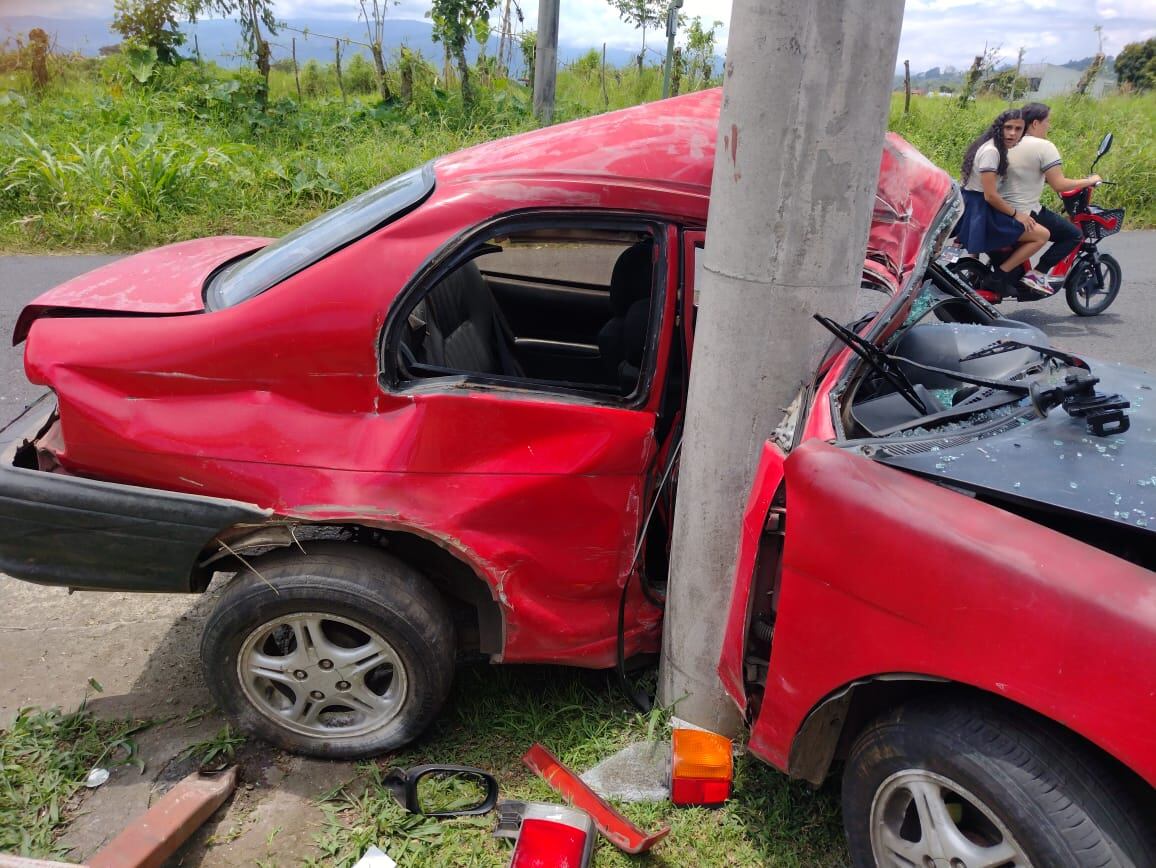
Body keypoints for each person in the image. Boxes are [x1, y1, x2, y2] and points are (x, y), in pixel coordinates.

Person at [1004, 102, 1101, 290]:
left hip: (999, 207)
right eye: (1047, 122)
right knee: (1073, 235)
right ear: (1035, 123)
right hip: (1023, 210)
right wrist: (1088, 181)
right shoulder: (1044, 146)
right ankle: (1038, 274)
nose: (1049, 126)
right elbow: (1059, 184)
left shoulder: (1009, 142)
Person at [956, 109, 1050, 296]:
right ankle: (999, 276)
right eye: (1008, 127)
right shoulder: (992, 152)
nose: (1012, 133)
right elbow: (990, 196)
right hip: (982, 209)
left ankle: (980, 269)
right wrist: (1017, 214)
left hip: (973, 205)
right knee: (1042, 235)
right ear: (999, 128)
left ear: (1024, 132)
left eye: (1018, 129)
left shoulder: (992, 146)